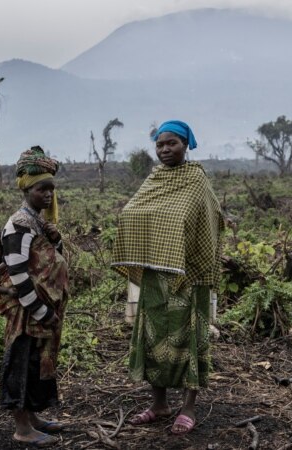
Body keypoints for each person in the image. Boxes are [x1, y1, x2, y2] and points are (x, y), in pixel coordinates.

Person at [111, 120, 223, 435]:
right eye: (159, 145)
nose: (164, 150)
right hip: (154, 276)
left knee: (189, 338)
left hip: (188, 276)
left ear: (186, 144)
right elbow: (131, 214)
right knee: (153, 336)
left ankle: (188, 406)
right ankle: (158, 403)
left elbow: (210, 219)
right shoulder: (154, 179)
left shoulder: (196, 180)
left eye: (171, 143)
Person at [0, 146, 69, 447]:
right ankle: (22, 428)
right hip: (27, 312)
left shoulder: (37, 223)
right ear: (27, 189)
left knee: (38, 362)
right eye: (42, 189)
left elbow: (52, 257)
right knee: (22, 363)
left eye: (51, 189)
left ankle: (34, 418)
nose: (48, 195)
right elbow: (18, 274)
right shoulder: (18, 224)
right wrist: (41, 311)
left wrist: (57, 239)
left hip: (40, 307)